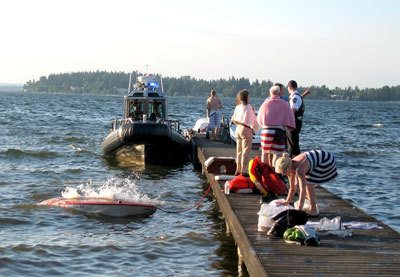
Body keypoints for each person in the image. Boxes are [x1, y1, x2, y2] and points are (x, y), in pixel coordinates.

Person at [275, 150, 338, 216]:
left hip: (326, 161)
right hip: (316, 159)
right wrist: (286, 202)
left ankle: (313, 210)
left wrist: (298, 210)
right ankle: (311, 203)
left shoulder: (299, 169)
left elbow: (303, 191)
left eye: (283, 173)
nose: (283, 175)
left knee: (308, 185)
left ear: (288, 168)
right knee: (305, 183)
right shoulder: (289, 166)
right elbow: (292, 188)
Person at [257, 85, 296, 167]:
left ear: (270, 93)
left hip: (267, 131)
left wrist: (262, 126)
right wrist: (290, 127)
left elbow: (258, 119)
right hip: (279, 131)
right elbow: (290, 117)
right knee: (277, 154)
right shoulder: (284, 104)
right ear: (279, 93)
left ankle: (265, 173)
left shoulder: (265, 104)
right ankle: (276, 173)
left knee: (265, 152)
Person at [231, 89, 259, 176]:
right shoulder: (249, 107)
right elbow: (253, 120)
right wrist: (254, 129)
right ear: (246, 97)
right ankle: (243, 171)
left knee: (238, 151)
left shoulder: (237, 107)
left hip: (238, 128)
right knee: (245, 151)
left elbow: (233, 119)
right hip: (246, 129)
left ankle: (238, 170)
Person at [287, 80, 305, 157]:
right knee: (293, 142)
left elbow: (292, 111)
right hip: (296, 122)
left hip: (294, 123)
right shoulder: (297, 96)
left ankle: (294, 161)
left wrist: (289, 124)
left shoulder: (295, 97)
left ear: (290, 87)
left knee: (292, 144)